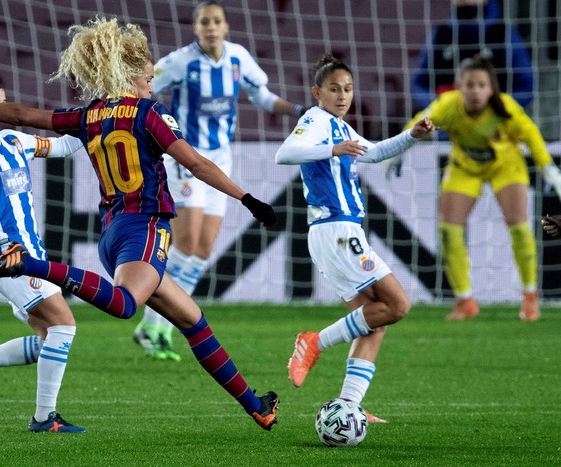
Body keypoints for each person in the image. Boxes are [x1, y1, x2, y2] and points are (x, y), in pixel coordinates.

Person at [0, 16, 280, 431]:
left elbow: (21, 114)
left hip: (115, 235)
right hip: (143, 229)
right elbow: (194, 162)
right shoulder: (147, 112)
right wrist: (247, 198)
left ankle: (256, 405)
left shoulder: (91, 114)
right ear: (128, 76)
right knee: (124, 306)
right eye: (147, 77)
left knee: (193, 321)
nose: (151, 84)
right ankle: (28, 265)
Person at [131, 0, 308, 361]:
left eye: (216, 21)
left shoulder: (238, 58)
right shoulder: (180, 61)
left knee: (203, 250)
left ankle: (158, 327)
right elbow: (144, 86)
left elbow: (261, 96)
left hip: (220, 157)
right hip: (186, 156)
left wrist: (295, 111)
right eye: (204, 22)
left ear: (226, 26)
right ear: (195, 28)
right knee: (185, 243)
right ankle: (152, 325)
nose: (210, 27)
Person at [275, 53, 435, 424]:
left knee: (374, 322)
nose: (342, 95)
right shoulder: (315, 120)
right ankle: (313, 342)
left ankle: (349, 404)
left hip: (340, 232)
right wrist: (331, 149)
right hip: (336, 231)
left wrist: (412, 136)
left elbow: (375, 152)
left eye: (347, 89)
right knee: (398, 305)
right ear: (317, 92)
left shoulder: (341, 127)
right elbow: (286, 154)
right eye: (334, 89)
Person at [0, 69, 86, 432]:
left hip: (33, 256)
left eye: (4, 104)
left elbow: (63, 145)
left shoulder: (13, 140)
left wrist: (98, 117)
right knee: (64, 327)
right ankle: (43, 418)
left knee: (49, 340)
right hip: (7, 258)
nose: (3, 110)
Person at [401, 55, 561, 321]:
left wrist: (549, 169)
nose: (475, 91)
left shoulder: (505, 109)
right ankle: (465, 300)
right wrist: (398, 150)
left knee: (519, 226)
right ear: (458, 86)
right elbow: (419, 122)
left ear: (491, 88)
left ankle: (530, 297)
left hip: (506, 167)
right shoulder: (448, 106)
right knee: (448, 230)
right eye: (469, 84)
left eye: (481, 85)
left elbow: (531, 135)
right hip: (465, 168)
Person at [411, 0, 534, 114]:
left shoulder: (505, 35)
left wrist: (496, 108)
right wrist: (443, 107)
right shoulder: (440, 36)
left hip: (496, 129)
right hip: (448, 127)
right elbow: (418, 85)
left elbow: (527, 85)